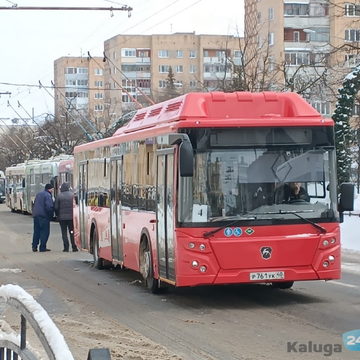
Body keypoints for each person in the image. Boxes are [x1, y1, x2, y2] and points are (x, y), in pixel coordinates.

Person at [54, 182, 77, 252]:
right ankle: (74, 247)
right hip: (71, 218)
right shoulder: (72, 195)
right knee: (72, 232)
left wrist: (57, 215)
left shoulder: (59, 196)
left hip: (62, 218)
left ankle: (66, 248)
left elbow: (56, 207)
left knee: (64, 233)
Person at [32, 183, 54, 252]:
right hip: (44, 216)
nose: (53, 191)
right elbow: (49, 207)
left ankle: (34, 246)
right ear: (49, 189)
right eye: (52, 189)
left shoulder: (39, 194)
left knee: (36, 232)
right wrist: (51, 215)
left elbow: (34, 204)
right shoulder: (47, 195)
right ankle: (42, 247)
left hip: (36, 216)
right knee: (44, 232)